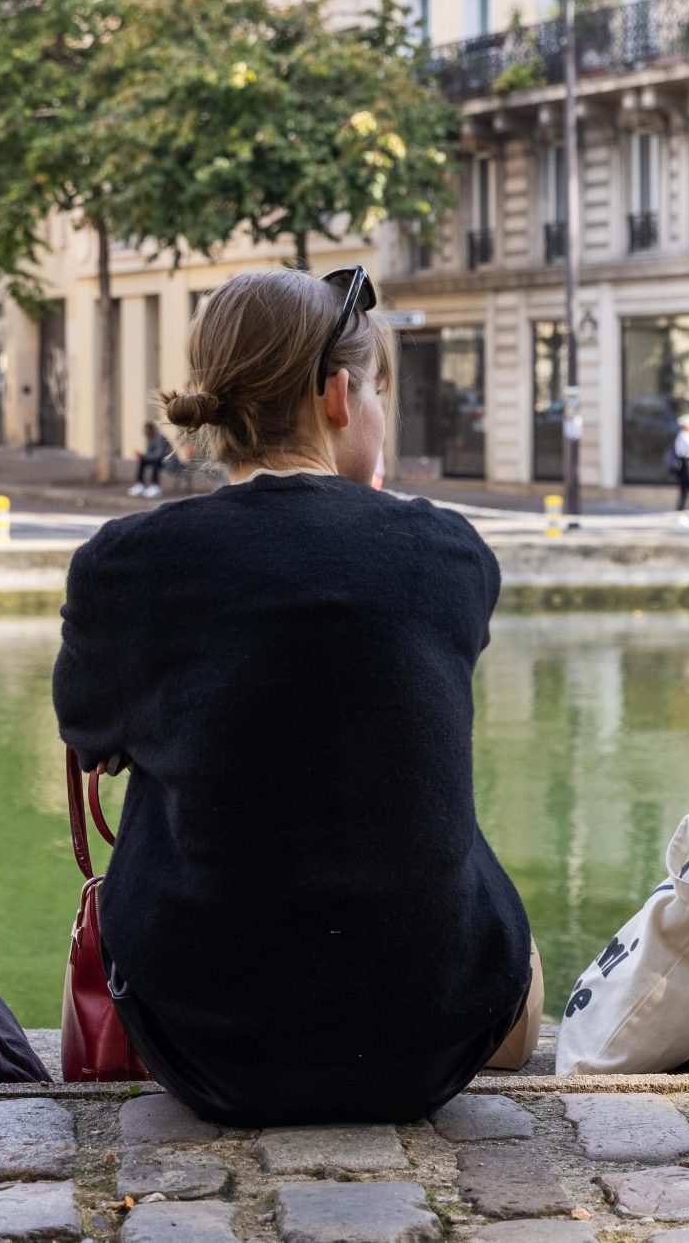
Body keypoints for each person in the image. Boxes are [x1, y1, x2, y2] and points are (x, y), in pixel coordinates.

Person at [52, 266, 538, 1126]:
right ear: (340, 397)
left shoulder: (122, 564)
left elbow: (91, 734)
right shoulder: (452, 553)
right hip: (439, 1045)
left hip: (208, 1052)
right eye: (379, 390)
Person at [131, 422, 172, 498]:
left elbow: (159, 454)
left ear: (151, 430)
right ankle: (140, 484)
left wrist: (144, 456)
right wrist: (143, 456)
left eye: (146, 430)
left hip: (169, 462)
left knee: (155, 461)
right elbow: (149, 454)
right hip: (159, 460)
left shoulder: (159, 438)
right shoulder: (149, 439)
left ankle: (155, 486)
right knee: (142, 460)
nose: (144, 432)